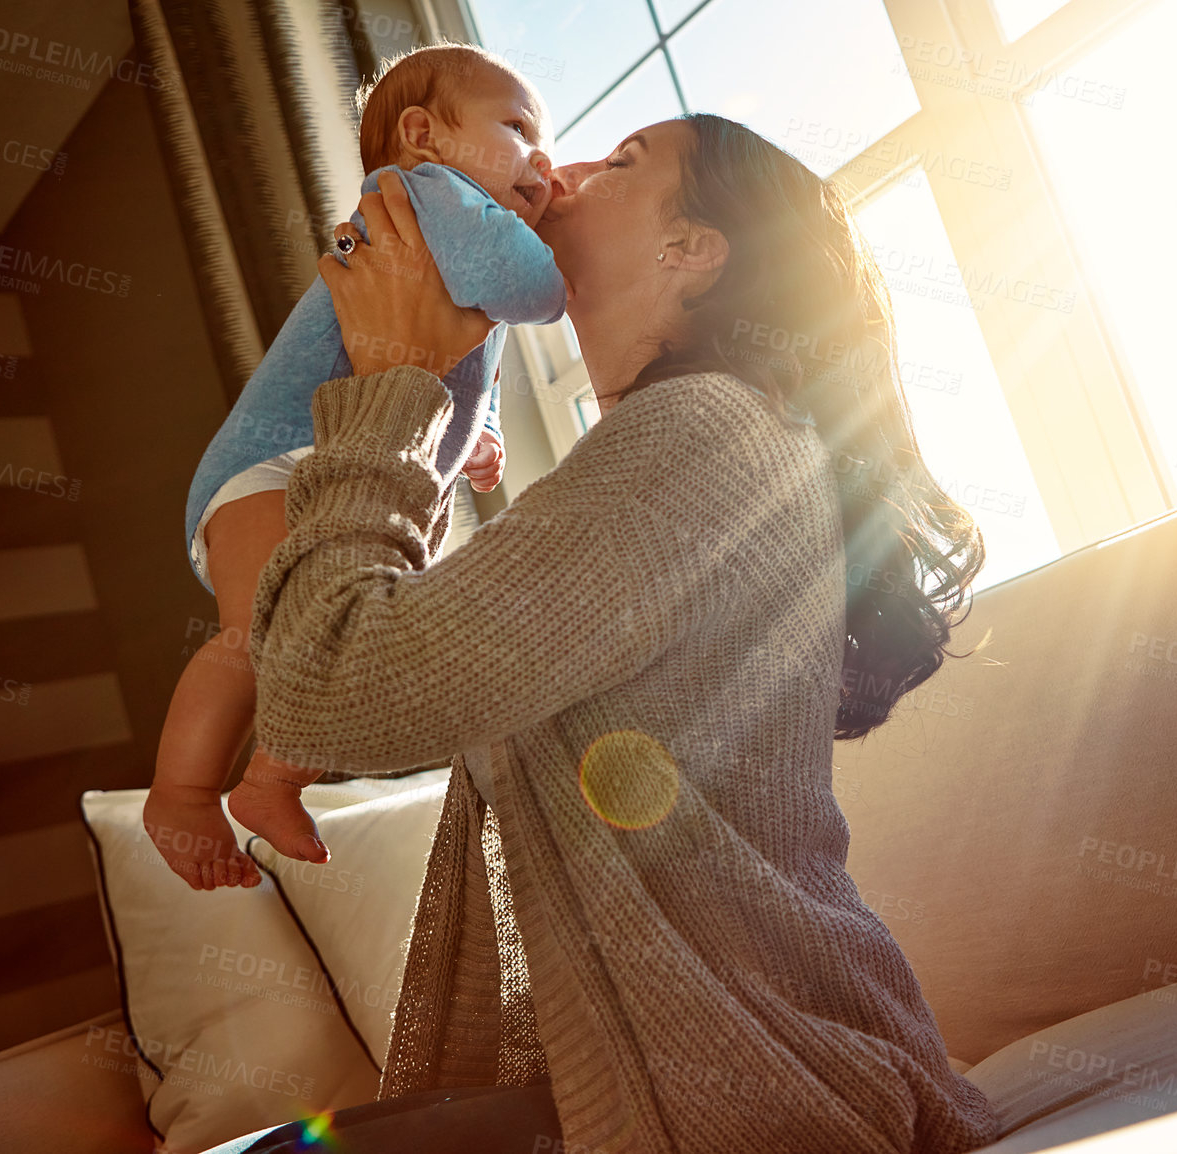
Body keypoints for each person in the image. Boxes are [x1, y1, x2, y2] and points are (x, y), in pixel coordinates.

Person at [231, 114, 1002, 1153]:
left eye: (622, 163)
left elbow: (333, 688)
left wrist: (387, 384)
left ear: (692, 252)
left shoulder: (700, 434)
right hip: (740, 1072)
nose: (560, 168)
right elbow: (370, 663)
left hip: (763, 1090)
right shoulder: (709, 438)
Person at [147, 42, 566, 891]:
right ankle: (181, 794)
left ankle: (271, 780)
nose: (543, 159)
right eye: (518, 128)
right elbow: (524, 286)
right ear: (423, 134)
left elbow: (458, 361)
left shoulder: (452, 230)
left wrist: (474, 434)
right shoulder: (420, 193)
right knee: (260, 641)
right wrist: (571, 249)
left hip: (332, 473)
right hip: (274, 467)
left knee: (320, 647)